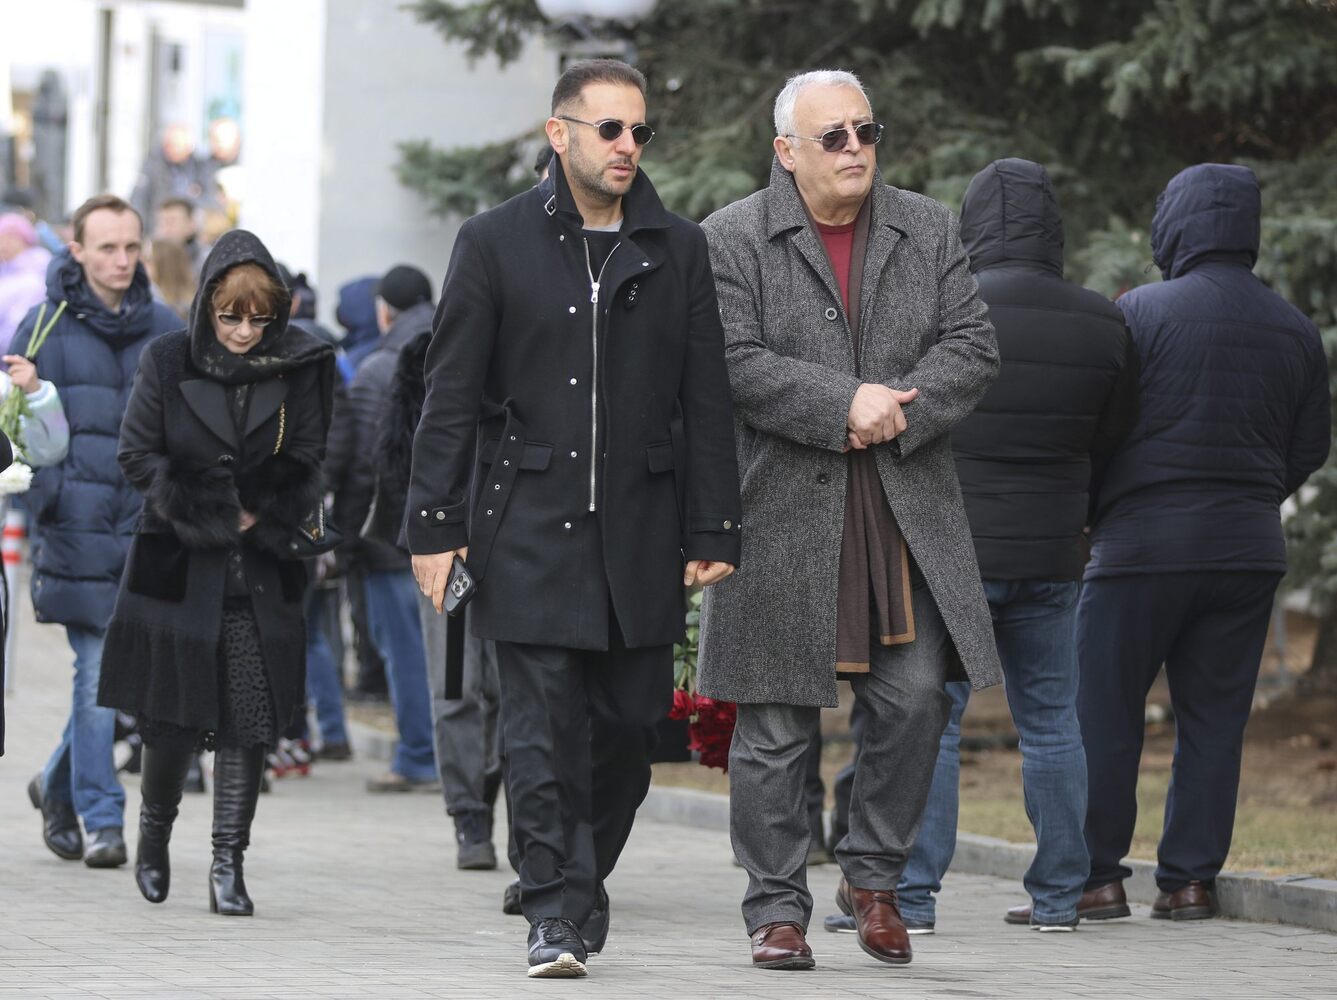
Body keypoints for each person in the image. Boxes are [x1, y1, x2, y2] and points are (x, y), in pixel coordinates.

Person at [408, 58, 741, 978]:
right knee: (538, 731)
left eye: (640, 130)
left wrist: (715, 523)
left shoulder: (677, 247)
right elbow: (449, 394)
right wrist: (432, 525)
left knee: (629, 735)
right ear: (560, 134)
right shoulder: (492, 241)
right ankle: (552, 908)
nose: (628, 145)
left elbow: (705, 396)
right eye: (610, 128)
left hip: (641, 528)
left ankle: (576, 881)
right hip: (525, 523)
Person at [697, 69, 1000, 971]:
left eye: (865, 130)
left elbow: (972, 346)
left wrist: (894, 408)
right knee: (775, 727)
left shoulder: (926, 224)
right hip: (779, 511)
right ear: (786, 152)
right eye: (832, 136)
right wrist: (842, 401)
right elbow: (729, 361)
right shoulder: (730, 236)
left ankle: (872, 880)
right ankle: (774, 908)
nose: (855, 148)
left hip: (902, 508)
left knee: (914, 701)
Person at [822, 157, 1140, 935]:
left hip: (948, 553)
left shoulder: (942, 310)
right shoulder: (1103, 321)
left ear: (969, 225)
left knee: (931, 722)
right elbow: (1114, 436)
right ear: (1051, 228)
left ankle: (913, 897)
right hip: (1053, 554)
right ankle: (1060, 898)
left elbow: (898, 419)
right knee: (1053, 723)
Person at [1077, 163, 1330, 921]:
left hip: (1139, 549)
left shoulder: (1138, 313)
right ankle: (1189, 882)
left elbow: (1099, 429)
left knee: (1105, 713)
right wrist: (1251, 497)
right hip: (1245, 552)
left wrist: (1098, 509)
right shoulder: (1294, 328)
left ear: (1175, 222)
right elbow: (1309, 447)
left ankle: (1096, 877)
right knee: (1215, 722)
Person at [98, 229, 335, 915]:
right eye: (231, 316)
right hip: (179, 564)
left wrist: (267, 509)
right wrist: (204, 508)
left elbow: (312, 452)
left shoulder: (301, 363)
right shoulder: (168, 358)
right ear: (207, 306)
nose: (243, 331)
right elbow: (137, 453)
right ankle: (154, 832)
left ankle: (228, 863)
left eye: (259, 319)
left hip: (259, 571)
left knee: (249, 723)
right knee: (170, 721)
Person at [17, 194, 178, 869]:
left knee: (124, 683)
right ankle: (103, 817)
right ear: (76, 249)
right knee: (96, 678)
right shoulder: (41, 327)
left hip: (146, 529)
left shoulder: (166, 327)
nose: (121, 260)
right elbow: (15, 433)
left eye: (131, 246)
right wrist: (48, 497)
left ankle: (55, 785)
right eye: (107, 247)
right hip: (77, 529)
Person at [326, 263, 439, 792]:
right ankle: (459, 754)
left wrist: (347, 540)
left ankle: (419, 755)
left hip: (391, 540)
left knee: (404, 650)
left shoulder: (376, 370)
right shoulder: (459, 351)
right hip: (454, 535)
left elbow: (360, 468)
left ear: (385, 312)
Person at [130, 124, 204, 233]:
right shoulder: (153, 166)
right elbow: (138, 200)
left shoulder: (198, 166)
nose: (172, 149)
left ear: (189, 147)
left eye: (178, 146)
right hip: (159, 229)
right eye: (169, 145)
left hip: (190, 231)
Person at [0, 212, 51, 353]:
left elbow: (16, 330)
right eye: (1, 237)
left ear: (26, 241)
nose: (4, 243)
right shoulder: (5, 272)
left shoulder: (33, 280)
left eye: (11, 237)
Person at [151, 197, 207, 273]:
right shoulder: (151, 261)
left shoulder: (205, 262)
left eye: (172, 222)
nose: (166, 229)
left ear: (191, 225)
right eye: (162, 223)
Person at [147, 239, 198, 321]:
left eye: (149, 261)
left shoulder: (191, 309)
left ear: (164, 266)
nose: (143, 265)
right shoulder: (150, 296)